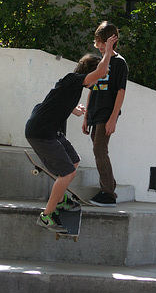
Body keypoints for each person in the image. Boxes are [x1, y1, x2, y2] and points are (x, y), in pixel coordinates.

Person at [25, 35, 118, 232]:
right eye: (100, 76)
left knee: (74, 160)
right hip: (41, 132)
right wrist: (108, 51)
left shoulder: (71, 84)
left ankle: (60, 199)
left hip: (49, 129)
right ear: (91, 73)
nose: (101, 78)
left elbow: (53, 102)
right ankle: (46, 215)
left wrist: (73, 109)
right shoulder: (74, 80)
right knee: (68, 172)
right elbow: (101, 70)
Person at [82, 21, 128, 206]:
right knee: (99, 150)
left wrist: (113, 119)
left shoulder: (119, 63)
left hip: (106, 114)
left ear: (112, 41)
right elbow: (92, 88)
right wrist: (86, 116)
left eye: (103, 42)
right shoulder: (99, 63)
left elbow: (121, 91)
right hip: (94, 113)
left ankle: (108, 193)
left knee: (99, 149)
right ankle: (109, 186)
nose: (100, 45)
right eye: (98, 41)